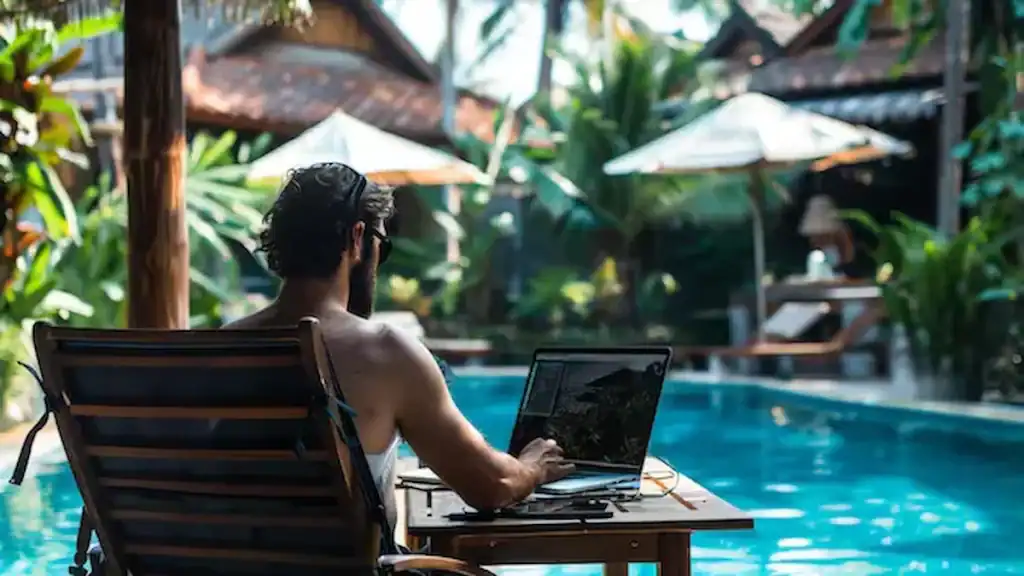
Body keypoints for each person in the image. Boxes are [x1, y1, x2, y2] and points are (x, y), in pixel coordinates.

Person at [226, 163, 573, 532]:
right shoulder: (385, 352)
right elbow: (491, 486)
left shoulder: (221, 348)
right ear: (356, 239)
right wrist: (532, 470)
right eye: (381, 245)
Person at [798, 194, 854, 277]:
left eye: (825, 237)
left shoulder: (841, 246)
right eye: (817, 238)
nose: (820, 242)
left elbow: (848, 257)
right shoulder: (815, 258)